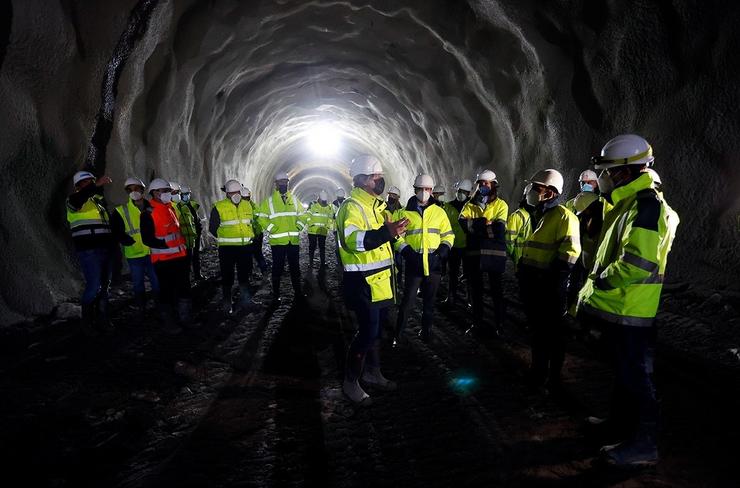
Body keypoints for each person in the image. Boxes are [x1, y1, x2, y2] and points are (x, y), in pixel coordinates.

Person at [578, 134, 677, 467]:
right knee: (624, 375)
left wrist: (603, 280)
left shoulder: (646, 206)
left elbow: (639, 262)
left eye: (608, 171)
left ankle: (645, 444)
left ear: (625, 172)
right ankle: (619, 427)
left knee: (636, 379)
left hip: (630, 308)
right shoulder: (629, 203)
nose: (604, 177)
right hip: (622, 308)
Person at [335, 154, 409, 404]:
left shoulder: (378, 207)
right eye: (377, 177)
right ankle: (351, 381)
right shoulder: (352, 207)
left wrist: (404, 246)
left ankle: (373, 372)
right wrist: (385, 232)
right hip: (362, 282)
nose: (381, 181)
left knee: (376, 332)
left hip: (380, 281)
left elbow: (390, 236)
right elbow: (352, 240)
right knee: (367, 333)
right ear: (364, 180)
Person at [517, 169, 580, 393]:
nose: (533, 191)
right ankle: (538, 371)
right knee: (538, 332)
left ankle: (554, 378)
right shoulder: (537, 215)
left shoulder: (564, 217)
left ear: (550, 191)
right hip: (534, 284)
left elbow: (570, 254)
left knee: (553, 333)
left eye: (537, 187)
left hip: (551, 287)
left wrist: (551, 278)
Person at [392, 174, 454, 344]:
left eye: (427, 189)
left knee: (429, 302)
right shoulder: (405, 213)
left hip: (433, 265)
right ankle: (398, 334)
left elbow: (448, 235)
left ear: (431, 191)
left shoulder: (439, 212)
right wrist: (407, 252)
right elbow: (397, 237)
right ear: (415, 190)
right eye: (421, 189)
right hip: (414, 265)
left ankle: (426, 331)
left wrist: (441, 252)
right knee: (407, 302)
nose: (424, 192)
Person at [459, 169, 508, 336]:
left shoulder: (501, 205)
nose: (482, 186)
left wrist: (475, 226)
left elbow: (500, 230)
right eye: (480, 183)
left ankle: (500, 325)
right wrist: (485, 223)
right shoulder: (469, 205)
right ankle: (476, 323)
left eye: (486, 183)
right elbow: (463, 224)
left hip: (494, 255)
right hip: (474, 255)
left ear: (493, 185)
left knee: (497, 292)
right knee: (476, 292)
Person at [66, 171, 115, 334]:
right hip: (89, 251)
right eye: (85, 182)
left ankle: (102, 319)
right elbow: (77, 201)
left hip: (104, 250)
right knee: (94, 286)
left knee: (104, 287)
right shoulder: (73, 200)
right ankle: (87, 322)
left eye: (91, 181)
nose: (90, 184)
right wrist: (96, 185)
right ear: (78, 186)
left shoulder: (98, 203)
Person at [140, 178, 191, 334]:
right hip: (163, 260)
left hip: (179, 257)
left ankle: (185, 319)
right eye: (163, 191)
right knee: (166, 291)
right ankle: (169, 323)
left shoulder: (170, 208)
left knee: (183, 288)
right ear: (154, 193)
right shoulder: (148, 213)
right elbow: (147, 239)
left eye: (168, 191)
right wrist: (167, 246)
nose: (167, 194)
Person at [210, 179, 261, 315]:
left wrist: (252, 236)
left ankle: (246, 301)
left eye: (237, 192)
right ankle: (227, 303)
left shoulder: (247, 205)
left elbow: (251, 223)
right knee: (228, 276)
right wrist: (224, 239)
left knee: (244, 275)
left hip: (244, 247)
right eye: (232, 192)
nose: (235, 195)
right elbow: (212, 228)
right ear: (227, 194)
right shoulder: (218, 207)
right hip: (227, 249)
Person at [111, 177, 159, 318]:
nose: (134, 192)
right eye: (130, 189)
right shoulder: (121, 211)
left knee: (157, 281)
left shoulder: (153, 207)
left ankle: (160, 306)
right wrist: (127, 241)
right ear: (127, 192)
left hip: (153, 251)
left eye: (137, 188)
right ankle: (141, 308)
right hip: (134, 254)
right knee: (138, 284)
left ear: (142, 190)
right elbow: (115, 231)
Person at [257, 172, 306, 307]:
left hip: (293, 241)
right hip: (278, 242)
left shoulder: (294, 200)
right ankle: (276, 295)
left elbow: (303, 215)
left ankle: (298, 292)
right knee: (277, 268)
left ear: (287, 183)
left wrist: (299, 226)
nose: (283, 184)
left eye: (285, 182)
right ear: (276, 184)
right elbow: (261, 217)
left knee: (295, 268)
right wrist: (272, 228)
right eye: (281, 182)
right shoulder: (269, 202)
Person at [441, 179, 472, 307]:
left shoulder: (472, 207)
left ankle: (469, 299)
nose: (461, 194)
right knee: (452, 273)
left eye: (464, 192)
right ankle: (451, 297)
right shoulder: (448, 207)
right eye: (460, 191)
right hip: (453, 246)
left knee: (469, 274)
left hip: (468, 246)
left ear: (469, 193)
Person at [241, 186, 269, 283]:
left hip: (252, 235)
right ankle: (264, 274)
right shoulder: (255, 205)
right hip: (257, 234)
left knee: (248, 256)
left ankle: (250, 276)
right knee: (258, 255)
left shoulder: (243, 208)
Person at [506, 183, 535, 271]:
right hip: (523, 261)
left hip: (531, 261)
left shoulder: (521, 215)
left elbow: (509, 241)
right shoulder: (518, 216)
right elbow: (509, 240)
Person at [178, 184, 205, 281]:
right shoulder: (178, 207)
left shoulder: (192, 205)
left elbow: (196, 219)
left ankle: (197, 275)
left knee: (195, 256)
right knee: (187, 258)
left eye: (188, 194)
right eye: (184, 194)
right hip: (185, 237)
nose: (186, 196)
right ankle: (187, 278)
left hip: (195, 235)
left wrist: (199, 228)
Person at [306, 190, 334, 269]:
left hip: (323, 231)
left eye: (325, 200)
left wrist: (327, 226)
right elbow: (307, 215)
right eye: (322, 200)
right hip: (313, 231)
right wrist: (311, 224)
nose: (323, 201)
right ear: (319, 198)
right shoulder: (313, 206)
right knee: (312, 247)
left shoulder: (328, 207)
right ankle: (310, 263)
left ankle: (323, 262)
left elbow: (330, 218)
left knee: (322, 247)